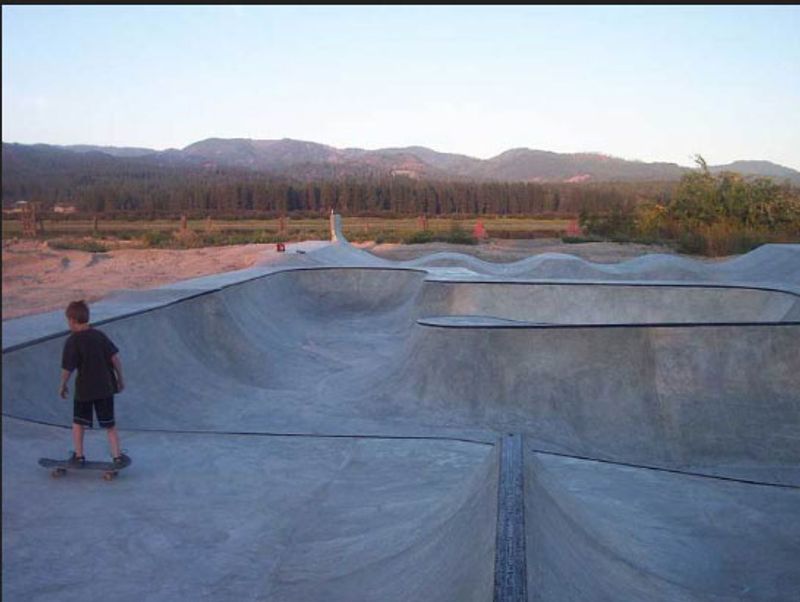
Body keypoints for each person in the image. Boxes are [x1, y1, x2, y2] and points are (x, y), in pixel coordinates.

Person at [59, 300, 129, 467]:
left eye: (68, 320)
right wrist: (120, 379)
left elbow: (67, 368)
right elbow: (115, 359)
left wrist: (63, 384)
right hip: (105, 388)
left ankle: (79, 456)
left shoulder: (72, 341)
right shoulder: (99, 336)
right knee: (110, 424)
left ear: (72, 320)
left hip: (84, 390)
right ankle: (117, 456)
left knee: (78, 423)